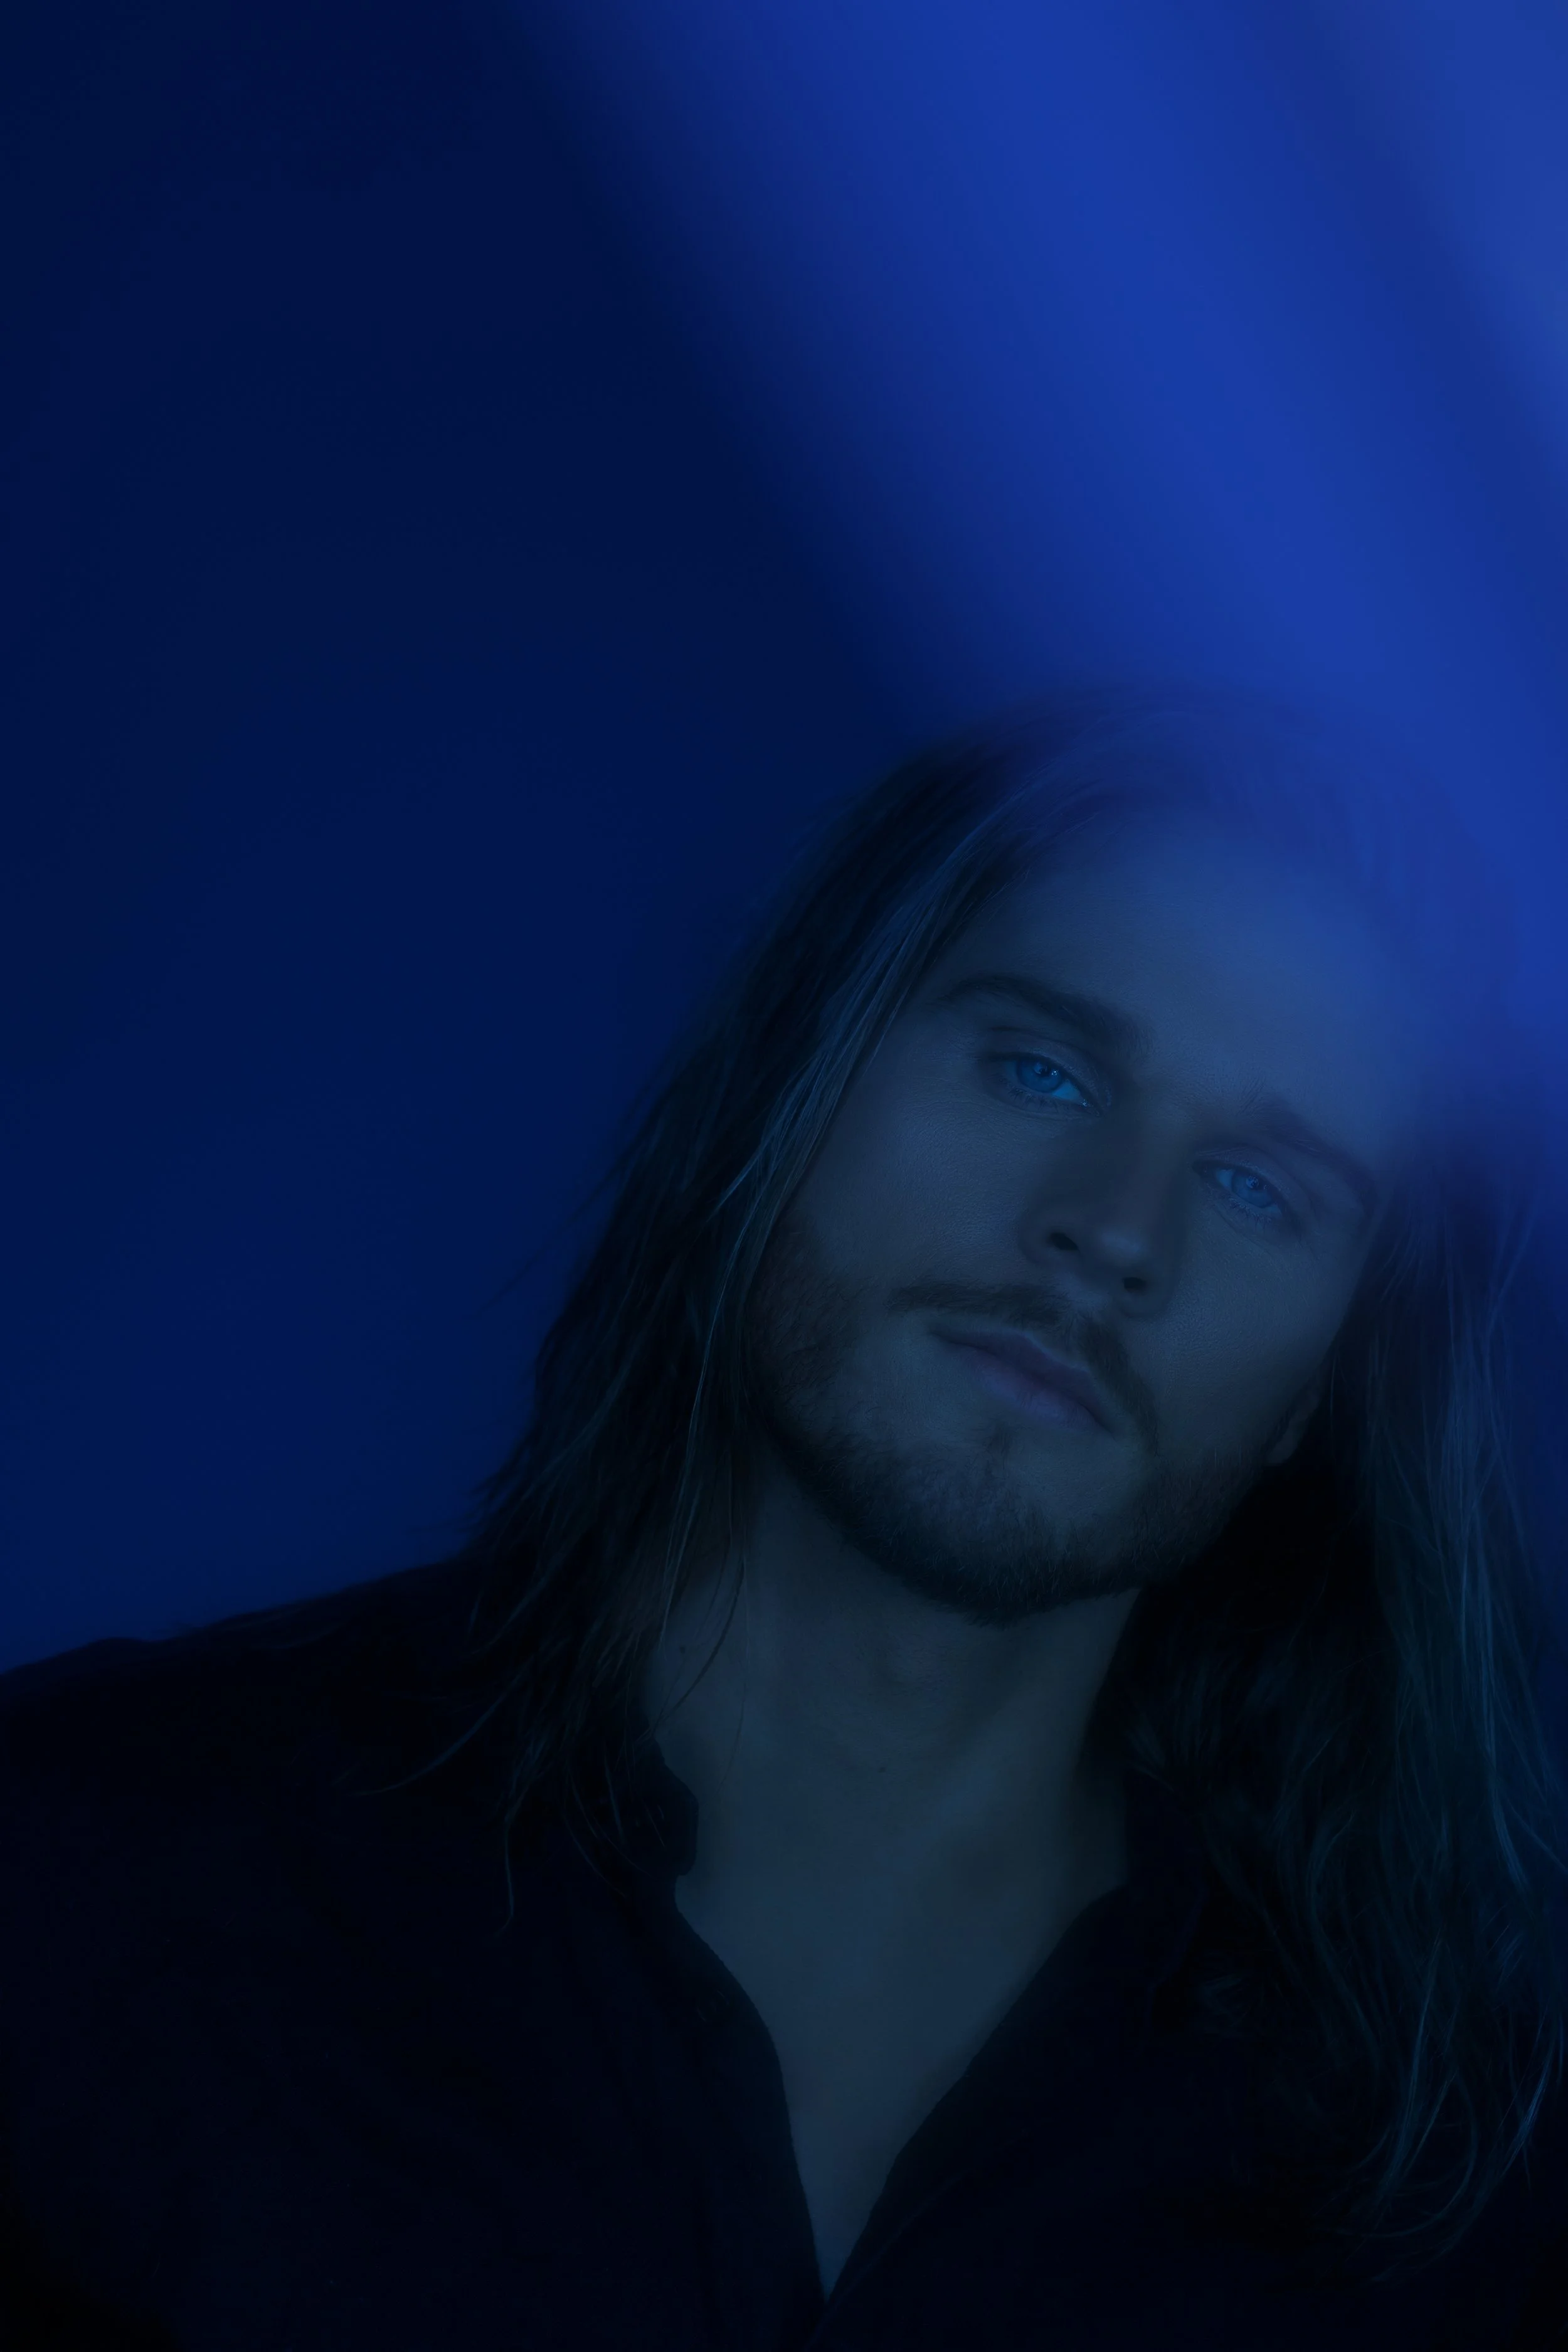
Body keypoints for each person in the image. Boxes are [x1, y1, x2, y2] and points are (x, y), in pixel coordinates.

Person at [3, 686, 1567, 2349]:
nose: (1114, 1231)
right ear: (789, 1082)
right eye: (1040, 1070)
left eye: (1261, 1187)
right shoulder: (82, 1887)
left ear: (1320, 1389)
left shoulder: (1456, 2192)